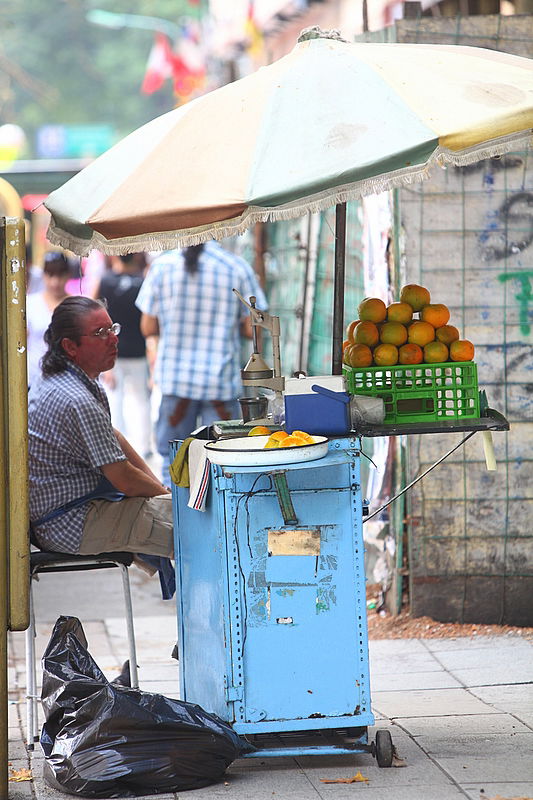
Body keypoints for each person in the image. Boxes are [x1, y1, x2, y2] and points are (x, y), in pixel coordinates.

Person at [28, 296, 173, 559]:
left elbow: (113, 439)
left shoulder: (71, 378)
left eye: (112, 329)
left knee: (177, 509)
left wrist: (160, 490)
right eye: (100, 333)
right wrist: (163, 496)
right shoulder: (76, 398)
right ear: (70, 346)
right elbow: (125, 479)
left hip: (72, 511)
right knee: (193, 533)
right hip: (70, 523)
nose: (113, 339)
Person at [136, 241, 267, 479]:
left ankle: (173, 510)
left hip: (176, 383)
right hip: (220, 385)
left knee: (172, 459)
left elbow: (147, 326)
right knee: (223, 458)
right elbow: (254, 329)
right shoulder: (237, 267)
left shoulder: (162, 266)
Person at [95, 253, 152, 457]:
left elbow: (95, 317)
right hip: (138, 351)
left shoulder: (105, 280)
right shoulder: (142, 281)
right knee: (141, 401)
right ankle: (143, 448)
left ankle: (116, 448)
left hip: (112, 352)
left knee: (113, 400)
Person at [26, 252, 70, 386]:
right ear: (44, 275)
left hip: (66, 379)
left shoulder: (76, 305)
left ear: (68, 275)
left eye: (60, 275)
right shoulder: (30, 304)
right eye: (50, 275)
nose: (55, 282)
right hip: (33, 379)